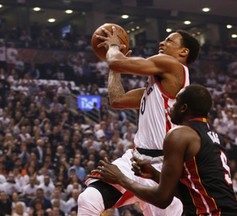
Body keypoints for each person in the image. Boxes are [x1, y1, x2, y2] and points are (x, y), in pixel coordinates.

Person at [77, 26, 200, 216]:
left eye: (169, 41)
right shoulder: (156, 88)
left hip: (165, 166)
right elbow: (117, 100)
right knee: (88, 199)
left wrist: (114, 47)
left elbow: (117, 62)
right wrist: (115, 67)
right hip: (136, 159)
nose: (162, 43)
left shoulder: (173, 65)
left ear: (183, 52)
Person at [92, 84, 237, 215]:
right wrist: (155, 175)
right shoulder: (213, 136)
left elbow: (162, 199)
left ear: (183, 108)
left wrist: (120, 178)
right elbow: (191, 192)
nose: (170, 107)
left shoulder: (179, 135)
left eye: (175, 103)